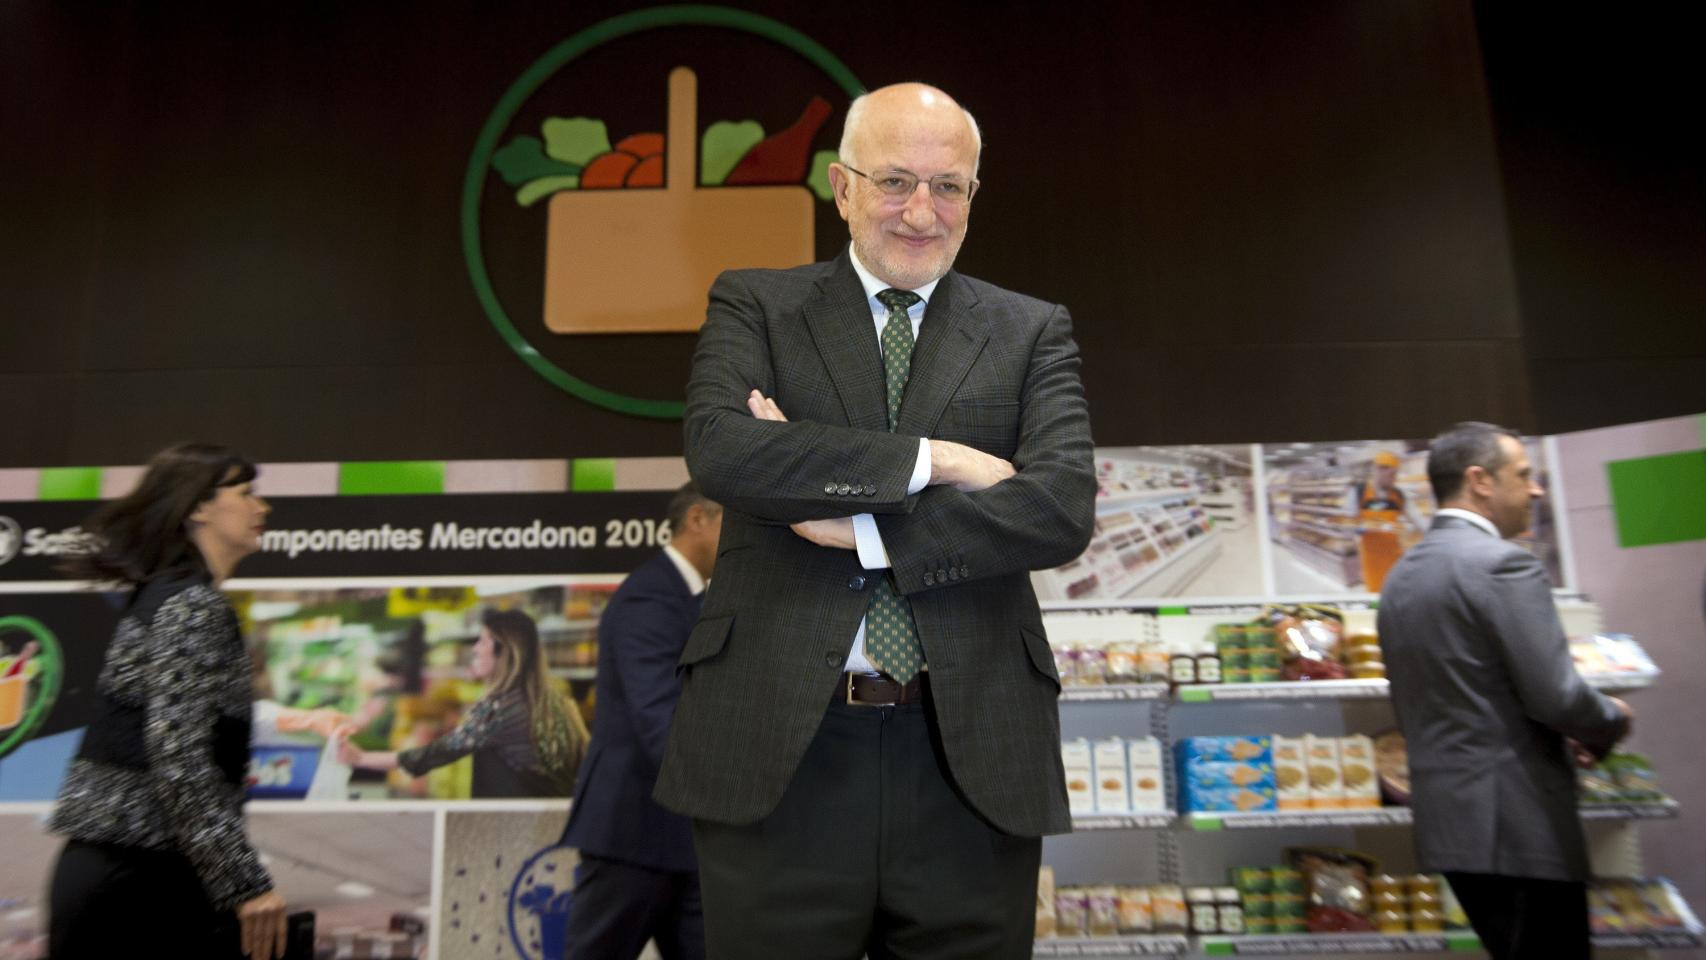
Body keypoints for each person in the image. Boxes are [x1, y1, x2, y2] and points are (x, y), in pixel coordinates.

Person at [657, 82, 1096, 958]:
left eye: (950, 186)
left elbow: (1057, 508)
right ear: (842, 186)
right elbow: (726, 451)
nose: (922, 212)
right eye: (896, 181)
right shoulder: (757, 305)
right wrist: (943, 463)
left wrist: (864, 527)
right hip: (781, 753)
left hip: (971, 759)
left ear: (975, 192)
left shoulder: (1029, 331)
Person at [1378, 421, 1633, 960]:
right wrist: (1611, 719)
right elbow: (1557, 696)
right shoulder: (1503, 563)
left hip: (1453, 826)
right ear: (1480, 481)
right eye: (1523, 475)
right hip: (1520, 824)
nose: (1535, 489)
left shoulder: (1402, 576)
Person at [47, 442, 288, 960]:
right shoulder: (193, 607)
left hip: (120, 877)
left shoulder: (166, 596)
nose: (262, 507)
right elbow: (177, 756)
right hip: (137, 886)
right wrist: (244, 881)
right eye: (246, 493)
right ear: (198, 505)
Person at [559, 483, 722, 960]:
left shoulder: (692, 597)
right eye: (734, 521)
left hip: (683, 838)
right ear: (697, 519)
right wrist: (723, 792)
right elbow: (659, 715)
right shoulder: (648, 598)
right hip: (633, 833)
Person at [340, 609, 587, 797]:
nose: (475, 649)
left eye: (483, 642)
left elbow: (436, 753)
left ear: (505, 652)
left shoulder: (503, 710)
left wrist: (362, 759)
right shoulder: (552, 700)